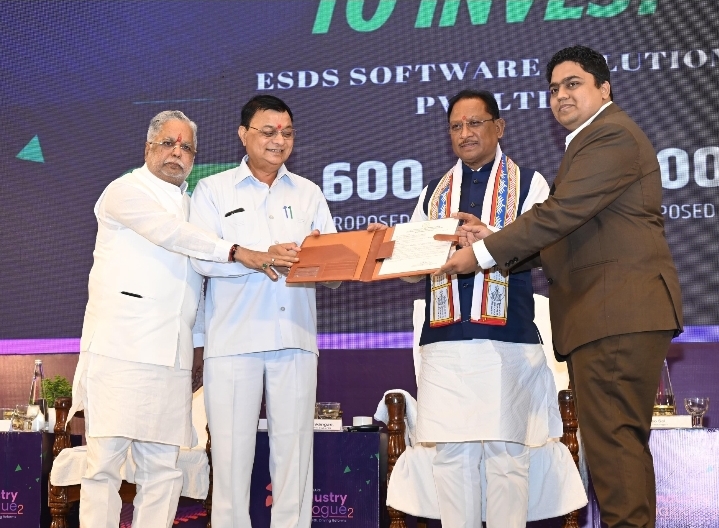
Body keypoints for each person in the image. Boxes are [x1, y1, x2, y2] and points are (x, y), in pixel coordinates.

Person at [441, 46, 683, 528]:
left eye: (573, 84)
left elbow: (559, 214)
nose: (561, 96)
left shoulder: (610, 134)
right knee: (617, 449)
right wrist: (493, 239)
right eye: (553, 89)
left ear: (604, 88)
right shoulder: (589, 142)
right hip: (609, 315)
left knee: (615, 450)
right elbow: (567, 234)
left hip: (616, 314)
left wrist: (483, 254)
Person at [69, 110, 297, 528]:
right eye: (168, 143)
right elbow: (170, 234)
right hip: (120, 350)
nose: (177, 152)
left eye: (186, 147)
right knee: (103, 466)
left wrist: (198, 343)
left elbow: (196, 283)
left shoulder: (191, 206)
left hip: (172, 356)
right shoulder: (124, 191)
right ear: (148, 148)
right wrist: (238, 251)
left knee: (163, 469)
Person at [371, 89, 575, 528]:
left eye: (475, 123)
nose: (465, 133)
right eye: (456, 126)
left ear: (499, 127)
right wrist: (388, 248)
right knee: (451, 459)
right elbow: (413, 270)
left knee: (508, 459)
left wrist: (491, 239)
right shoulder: (433, 192)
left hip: (508, 343)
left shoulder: (531, 184)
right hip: (445, 346)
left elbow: (549, 251)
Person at [189, 95, 337, 528]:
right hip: (234, 342)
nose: (279, 140)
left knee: (295, 460)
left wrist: (355, 252)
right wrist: (258, 257)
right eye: (268, 131)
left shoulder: (308, 193)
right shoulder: (212, 190)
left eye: (287, 132)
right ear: (244, 134)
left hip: (295, 338)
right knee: (231, 462)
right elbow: (200, 258)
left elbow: (330, 270)